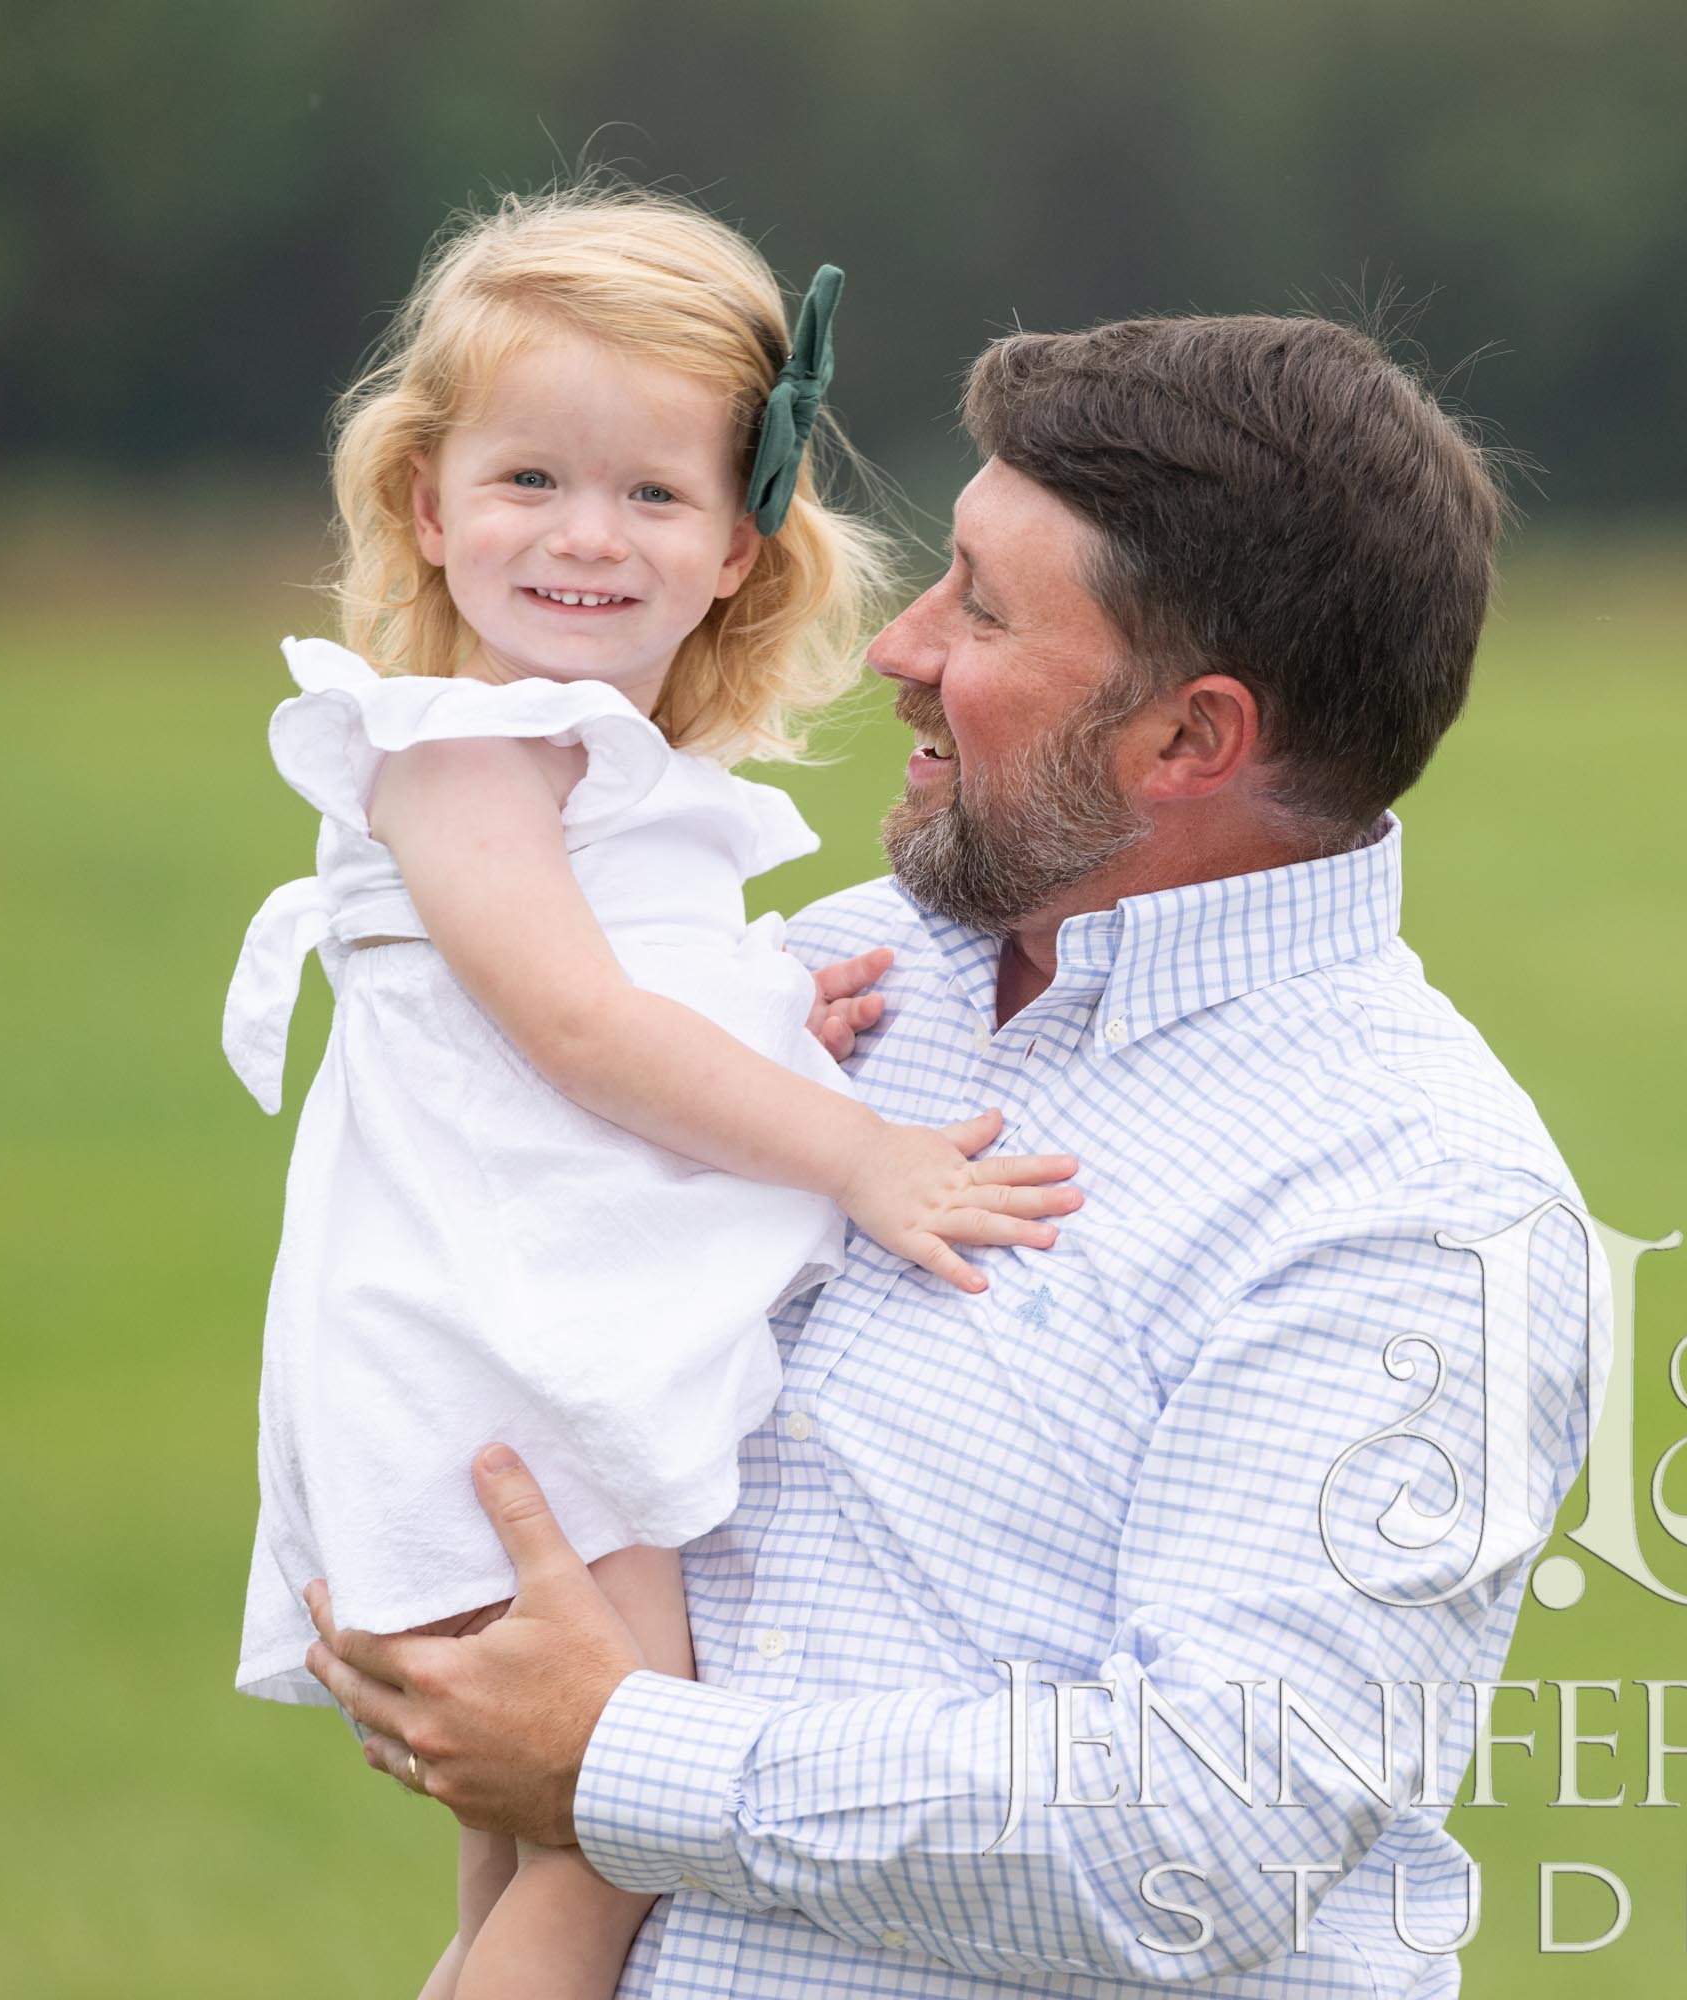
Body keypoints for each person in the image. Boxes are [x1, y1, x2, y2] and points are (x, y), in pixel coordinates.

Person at [303, 312, 1607, 1997]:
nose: (895, 647)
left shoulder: (1414, 1203)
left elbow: (1207, 1833)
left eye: (981, 609)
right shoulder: (829, 977)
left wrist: (619, 1759)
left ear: (1190, 740)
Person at [218, 185, 1084, 2000]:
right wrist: (860, 1153)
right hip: (485, 1351)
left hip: (530, 1323)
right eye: (528, 478)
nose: (584, 536)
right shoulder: (458, 751)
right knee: (611, 1823)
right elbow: (580, 1030)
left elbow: (612, 1001)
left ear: (740, 546)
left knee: (533, 1852)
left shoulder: (588, 758)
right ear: (425, 505)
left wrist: (763, 1013)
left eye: (652, 494)